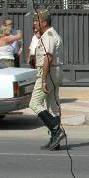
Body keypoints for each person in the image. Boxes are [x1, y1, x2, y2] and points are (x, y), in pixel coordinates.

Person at [29, 10, 65, 150]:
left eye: (36, 20)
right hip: (54, 71)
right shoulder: (48, 34)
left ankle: (56, 130)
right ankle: (55, 141)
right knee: (52, 106)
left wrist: (43, 80)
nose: (34, 23)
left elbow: (48, 58)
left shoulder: (48, 36)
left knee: (34, 103)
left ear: (43, 22)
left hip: (48, 72)